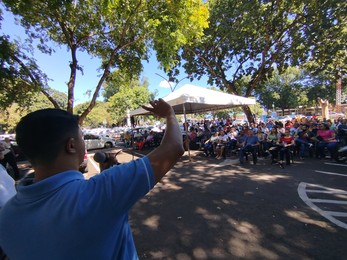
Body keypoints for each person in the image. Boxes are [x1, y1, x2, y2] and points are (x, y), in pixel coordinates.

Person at [0, 99, 184, 259]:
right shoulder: (102, 192)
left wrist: (103, 175)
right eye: (81, 136)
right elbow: (174, 147)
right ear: (71, 145)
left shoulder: (7, 216)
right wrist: (169, 113)